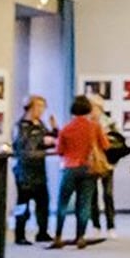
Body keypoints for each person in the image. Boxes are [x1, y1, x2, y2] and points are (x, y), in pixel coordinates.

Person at [52, 94, 109, 249]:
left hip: (70, 168)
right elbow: (105, 145)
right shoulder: (95, 126)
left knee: (63, 203)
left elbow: (60, 150)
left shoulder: (66, 128)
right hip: (89, 168)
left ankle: (58, 235)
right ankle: (80, 237)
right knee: (84, 204)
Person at [12, 94, 58, 244]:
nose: (41, 110)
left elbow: (51, 141)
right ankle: (20, 234)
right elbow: (24, 145)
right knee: (23, 204)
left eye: (43, 107)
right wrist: (42, 141)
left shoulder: (40, 124)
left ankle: (42, 232)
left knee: (43, 203)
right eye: (39, 107)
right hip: (25, 171)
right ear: (31, 107)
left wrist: (55, 129)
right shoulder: (21, 126)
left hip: (40, 170)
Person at [88, 93, 119, 239]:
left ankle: (111, 225)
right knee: (92, 195)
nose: (92, 110)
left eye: (94, 107)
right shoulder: (86, 123)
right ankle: (95, 225)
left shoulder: (109, 122)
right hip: (91, 162)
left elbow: (118, 142)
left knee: (108, 195)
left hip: (107, 162)